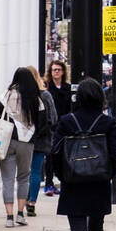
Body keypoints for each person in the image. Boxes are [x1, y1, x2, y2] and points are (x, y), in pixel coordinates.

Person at [53, 78, 116, 231]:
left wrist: (62, 176)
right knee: (97, 229)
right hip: (98, 182)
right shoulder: (108, 123)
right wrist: (107, 176)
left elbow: (55, 153)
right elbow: (115, 154)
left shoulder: (66, 121)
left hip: (72, 182)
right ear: (100, 98)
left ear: (78, 97)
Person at [0, 67, 41, 227]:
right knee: (24, 177)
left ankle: (9, 217)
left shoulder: (6, 95)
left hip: (7, 141)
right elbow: (43, 122)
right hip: (27, 142)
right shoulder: (35, 98)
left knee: (8, 179)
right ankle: (20, 214)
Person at [25, 68, 59, 217]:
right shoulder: (45, 95)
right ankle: (32, 202)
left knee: (22, 172)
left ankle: (22, 199)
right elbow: (54, 118)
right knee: (36, 170)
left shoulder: (20, 95)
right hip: (41, 138)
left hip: (23, 138)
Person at [43, 60, 74, 197]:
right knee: (49, 155)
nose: (56, 72)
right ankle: (49, 184)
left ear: (63, 71)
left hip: (65, 125)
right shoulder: (47, 88)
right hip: (51, 126)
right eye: (54, 70)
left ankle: (63, 182)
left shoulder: (68, 88)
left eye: (58, 70)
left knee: (64, 155)